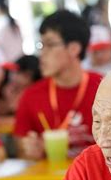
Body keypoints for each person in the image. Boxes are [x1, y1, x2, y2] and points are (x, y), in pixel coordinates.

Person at [14, 10, 102, 160]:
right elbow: (20, 149)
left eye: (49, 44)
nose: (42, 54)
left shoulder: (105, 88)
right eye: (41, 45)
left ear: (74, 48)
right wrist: (30, 150)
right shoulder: (32, 95)